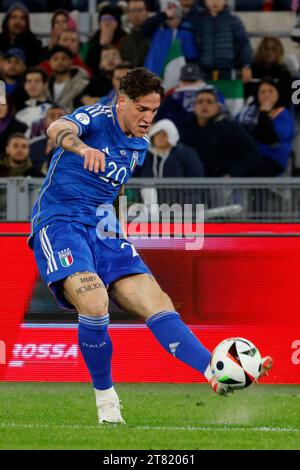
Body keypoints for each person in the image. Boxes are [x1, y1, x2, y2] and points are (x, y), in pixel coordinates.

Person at [28, 68, 272, 424]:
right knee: (95, 303)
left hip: (104, 226)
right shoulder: (96, 118)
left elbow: (115, 188)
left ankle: (215, 371)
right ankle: (107, 402)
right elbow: (56, 129)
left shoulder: (139, 145)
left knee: (158, 302)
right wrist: (82, 149)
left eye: (154, 111)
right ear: (122, 101)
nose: (148, 118)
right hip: (60, 220)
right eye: (142, 109)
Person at [181, 88, 261, 177]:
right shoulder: (185, 130)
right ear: (194, 108)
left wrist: (231, 175)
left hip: (224, 183)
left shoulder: (231, 128)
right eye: (200, 102)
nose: (204, 105)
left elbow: (252, 155)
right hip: (192, 183)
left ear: (218, 107)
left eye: (209, 102)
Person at [238, 78, 295, 176]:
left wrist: (264, 114)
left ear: (277, 95)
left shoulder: (283, 114)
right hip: (251, 156)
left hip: (273, 158)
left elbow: (270, 139)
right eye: (262, 92)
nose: (266, 95)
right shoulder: (249, 112)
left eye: (270, 91)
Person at [192, 0, 252, 82]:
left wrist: (246, 66)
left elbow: (244, 43)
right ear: (205, 2)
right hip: (204, 71)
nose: (215, 2)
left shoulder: (233, 20)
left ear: (225, 1)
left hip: (229, 70)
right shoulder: (199, 20)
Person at [245, 37, 294, 107]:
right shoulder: (251, 70)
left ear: (279, 52)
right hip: (253, 108)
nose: (269, 53)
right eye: (266, 48)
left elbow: (286, 98)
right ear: (260, 51)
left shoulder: (284, 73)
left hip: (276, 110)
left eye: (273, 49)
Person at [47, 45, 89, 113]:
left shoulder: (83, 84)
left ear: (71, 61)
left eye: (64, 58)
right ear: (49, 62)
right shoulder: (45, 86)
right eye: (55, 59)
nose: (59, 62)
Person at [15, 67, 53, 140]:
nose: (33, 85)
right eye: (29, 81)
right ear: (24, 86)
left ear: (45, 85)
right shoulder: (18, 112)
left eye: (37, 81)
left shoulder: (55, 110)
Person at [29, 104, 66, 174]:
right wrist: (48, 153)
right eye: (52, 116)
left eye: (60, 116)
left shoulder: (79, 144)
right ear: (45, 122)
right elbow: (34, 172)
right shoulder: (34, 146)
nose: (56, 119)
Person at [119, 0, 150, 68]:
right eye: (133, 10)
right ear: (128, 14)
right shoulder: (124, 41)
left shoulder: (155, 37)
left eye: (140, 10)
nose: (136, 14)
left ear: (147, 12)